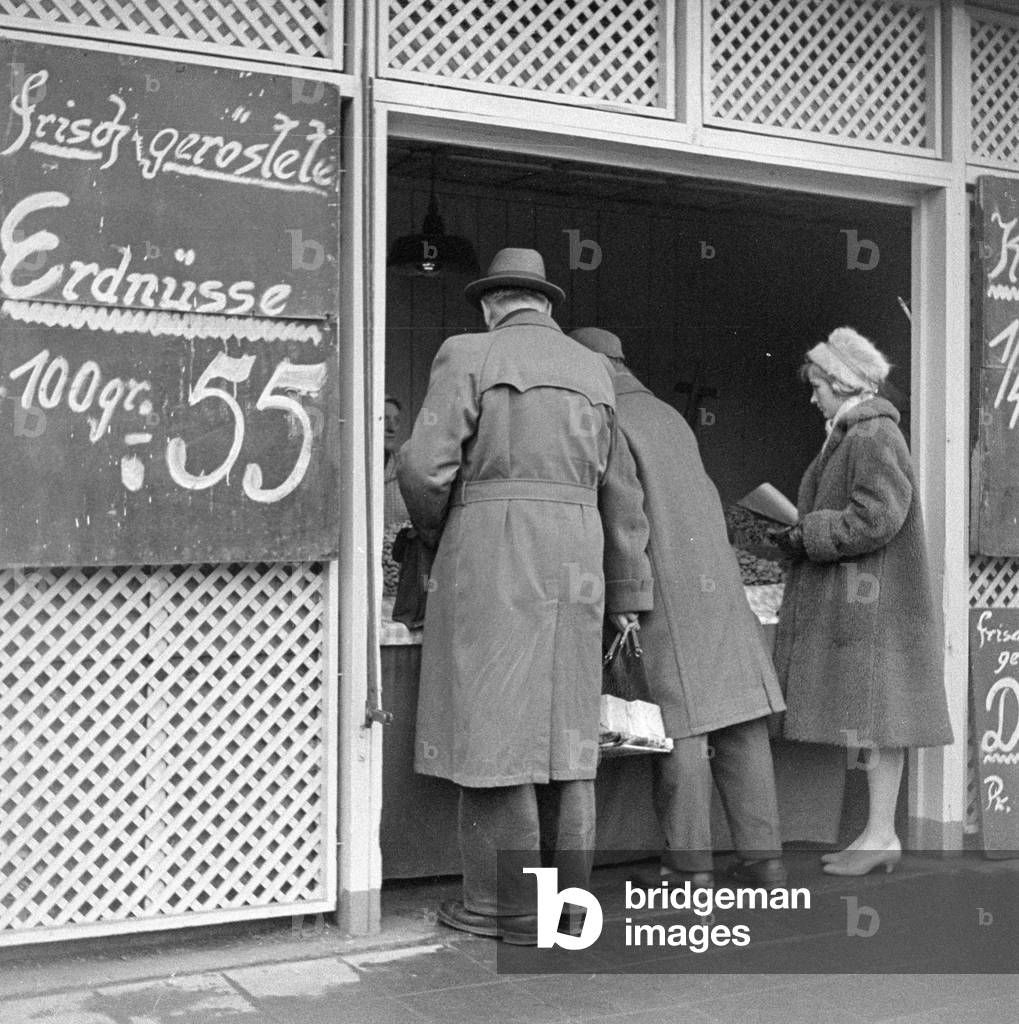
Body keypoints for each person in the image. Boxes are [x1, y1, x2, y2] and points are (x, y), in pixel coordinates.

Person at [398, 249, 653, 943]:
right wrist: (627, 591)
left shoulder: (466, 353)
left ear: (490, 304)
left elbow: (423, 468)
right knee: (568, 737)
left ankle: (503, 906)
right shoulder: (593, 370)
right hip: (577, 559)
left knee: (494, 729)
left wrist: (434, 534)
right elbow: (623, 496)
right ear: (543, 305)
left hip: (491, 553)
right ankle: (567, 908)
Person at [570, 328, 787, 890]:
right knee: (738, 722)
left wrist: (625, 594)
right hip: (717, 588)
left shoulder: (611, 416)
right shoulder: (667, 414)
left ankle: (690, 872)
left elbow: (625, 514)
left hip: (666, 591)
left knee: (681, 730)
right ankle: (766, 862)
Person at [771, 327, 953, 876]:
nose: (811, 397)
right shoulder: (858, 434)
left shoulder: (870, 437)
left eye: (817, 386)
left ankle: (881, 835)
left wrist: (809, 532)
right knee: (874, 718)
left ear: (841, 383)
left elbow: (878, 517)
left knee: (879, 717)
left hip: (875, 606)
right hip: (870, 602)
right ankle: (876, 834)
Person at [382, 396, 409, 528]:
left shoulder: (406, 468)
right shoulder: (352, 469)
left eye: (396, 420)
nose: (391, 428)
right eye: (384, 419)